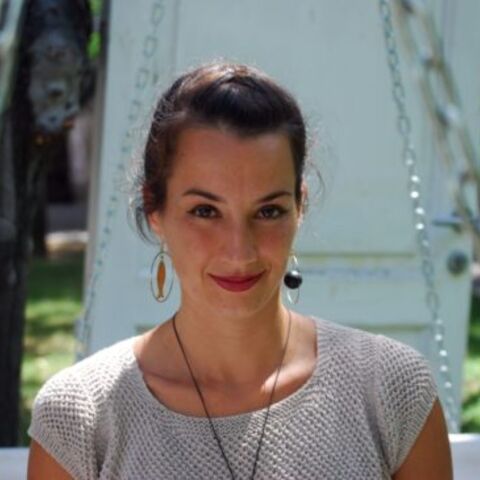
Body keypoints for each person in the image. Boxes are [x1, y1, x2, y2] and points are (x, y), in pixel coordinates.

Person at [27, 62, 453, 479]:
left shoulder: (392, 390)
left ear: (299, 206)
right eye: (205, 211)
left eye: (268, 211)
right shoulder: (80, 417)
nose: (239, 250)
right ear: (155, 209)